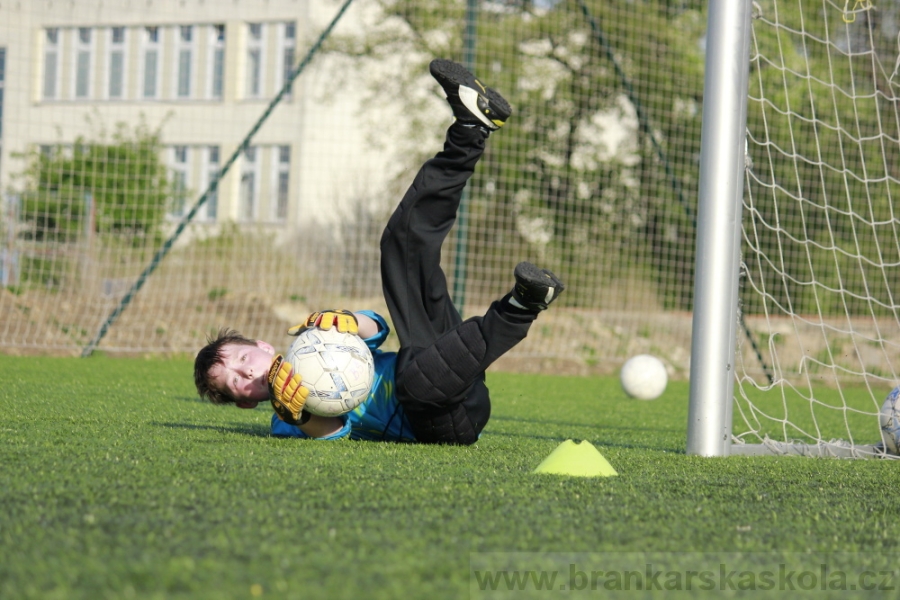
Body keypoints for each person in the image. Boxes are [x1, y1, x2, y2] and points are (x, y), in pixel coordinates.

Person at [193, 59, 565, 445]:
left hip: (438, 364)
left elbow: (379, 329)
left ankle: (471, 128)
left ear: (262, 346)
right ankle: (520, 307)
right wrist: (300, 414)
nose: (245, 374)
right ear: (244, 404)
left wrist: (347, 321)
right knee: (415, 381)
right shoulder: (285, 421)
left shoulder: (311, 342)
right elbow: (335, 431)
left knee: (400, 247)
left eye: (240, 360)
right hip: (443, 420)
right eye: (236, 384)